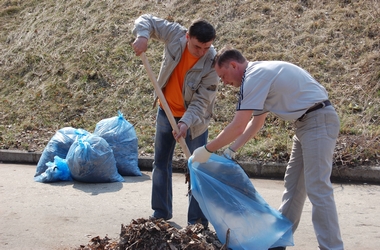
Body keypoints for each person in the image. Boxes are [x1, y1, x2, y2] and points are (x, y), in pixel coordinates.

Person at [192, 46, 344, 250]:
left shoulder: (254, 77)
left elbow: (237, 125)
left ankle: (332, 248)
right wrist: (231, 151)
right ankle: (277, 242)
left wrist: (207, 149)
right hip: (307, 123)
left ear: (234, 65)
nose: (224, 82)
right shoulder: (258, 74)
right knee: (294, 187)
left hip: (317, 121)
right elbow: (256, 122)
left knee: (318, 188)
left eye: (223, 75)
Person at [132, 14, 218, 228]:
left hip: (194, 121)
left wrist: (185, 123)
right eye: (198, 47)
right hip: (165, 111)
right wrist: (143, 36)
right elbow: (147, 20)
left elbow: (201, 102)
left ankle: (197, 222)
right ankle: (160, 213)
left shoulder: (212, 63)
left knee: (196, 167)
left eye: (207, 47)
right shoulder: (174, 34)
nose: (202, 52)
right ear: (187, 37)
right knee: (161, 163)